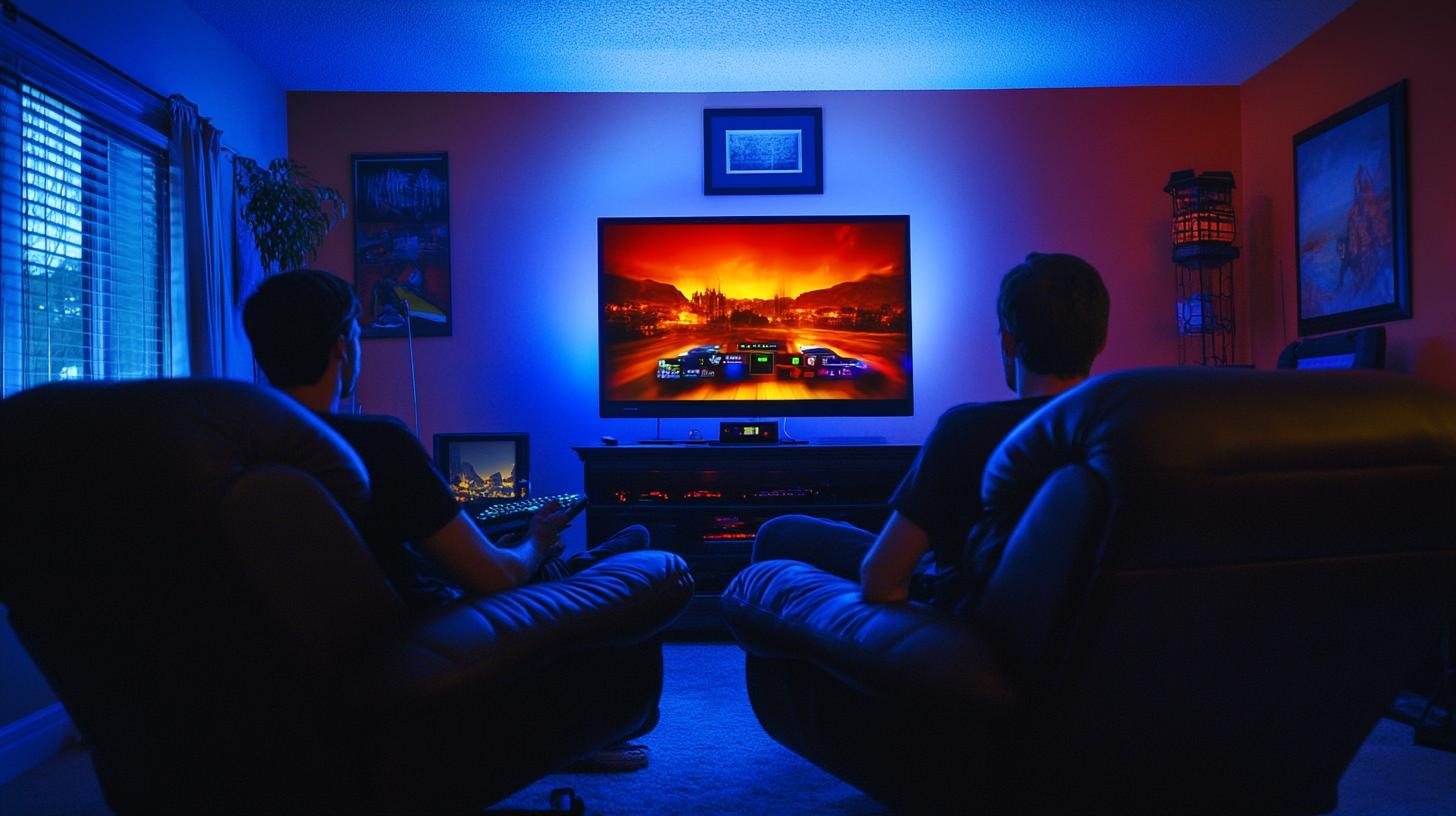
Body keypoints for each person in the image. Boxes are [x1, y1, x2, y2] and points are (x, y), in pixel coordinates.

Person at [242, 269, 654, 771]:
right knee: (642, 560)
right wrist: (537, 539)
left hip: (341, 653)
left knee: (585, 548)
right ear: (340, 350)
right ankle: (572, 703)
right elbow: (494, 577)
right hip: (440, 640)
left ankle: (579, 565)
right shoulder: (379, 444)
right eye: (357, 334)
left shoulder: (241, 452)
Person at [752, 252, 1110, 611]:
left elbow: (881, 582)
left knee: (778, 533)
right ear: (1100, 341)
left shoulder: (967, 430)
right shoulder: (1124, 435)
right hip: (1076, 633)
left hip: (962, 617)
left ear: (1008, 341)